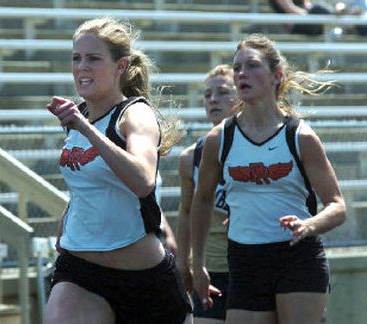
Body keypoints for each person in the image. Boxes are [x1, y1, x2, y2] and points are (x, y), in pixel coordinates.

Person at [43, 17, 192, 324]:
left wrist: (85, 129)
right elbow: (88, 184)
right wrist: (65, 224)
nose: (82, 67)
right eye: (76, 58)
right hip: (80, 272)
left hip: (144, 281)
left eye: (93, 58)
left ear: (120, 66)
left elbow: (142, 181)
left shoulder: (134, 114)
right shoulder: (79, 116)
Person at [190, 34, 346, 324]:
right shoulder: (219, 138)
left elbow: (337, 206)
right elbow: (201, 201)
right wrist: (197, 264)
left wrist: (308, 225)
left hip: (297, 257)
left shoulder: (300, 136)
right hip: (244, 260)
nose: (241, 74)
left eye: (251, 66)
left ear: (277, 76)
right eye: (237, 68)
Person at [176, 64, 237, 323]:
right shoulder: (191, 156)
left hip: (254, 263)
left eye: (223, 92)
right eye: (207, 94)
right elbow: (186, 211)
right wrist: (183, 263)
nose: (213, 99)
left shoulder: (264, 147)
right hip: (211, 268)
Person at [268, 0, 334, 35]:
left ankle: (334, 13)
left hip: (305, 21)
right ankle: (334, 12)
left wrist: (309, 15)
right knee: (318, 9)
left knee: (319, 8)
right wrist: (308, 16)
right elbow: (290, 10)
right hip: (295, 25)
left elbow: (308, 6)